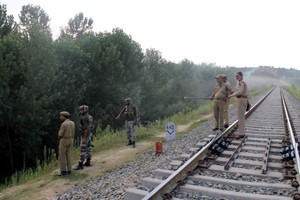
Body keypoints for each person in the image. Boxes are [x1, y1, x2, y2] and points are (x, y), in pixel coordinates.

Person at [228, 71, 249, 139]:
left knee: (240, 118)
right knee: (241, 117)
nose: (236, 77)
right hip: (242, 99)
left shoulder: (241, 83)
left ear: (241, 76)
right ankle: (241, 132)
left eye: (237, 76)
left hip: (241, 100)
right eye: (235, 76)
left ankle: (241, 133)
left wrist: (231, 95)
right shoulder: (241, 82)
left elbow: (240, 92)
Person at [74, 105, 94, 170]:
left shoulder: (84, 118)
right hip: (90, 134)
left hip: (86, 135)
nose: (80, 111)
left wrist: (84, 138)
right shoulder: (90, 117)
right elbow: (90, 127)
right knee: (89, 148)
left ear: (85, 110)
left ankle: (80, 164)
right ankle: (88, 161)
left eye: (81, 110)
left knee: (82, 148)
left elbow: (86, 128)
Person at [58, 111, 75, 176]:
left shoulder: (64, 124)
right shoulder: (72, 123)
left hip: (64, 139)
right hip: (71, 139)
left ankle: (63, 171)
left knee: (62, 156)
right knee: (69, 155)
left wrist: (59, 137)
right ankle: (69, 169)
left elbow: (60, 134)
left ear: (64, 116)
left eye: (61, 116)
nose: (60, 117)